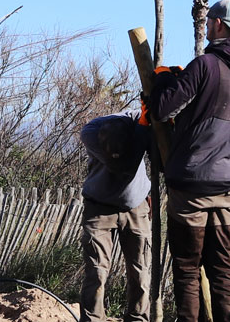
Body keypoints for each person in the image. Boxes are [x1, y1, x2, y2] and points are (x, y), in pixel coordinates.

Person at [148, 0, 230, 322]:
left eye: (209, 21)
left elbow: (162, 109)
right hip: (229, 187)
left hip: (191, 188)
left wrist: (163, 82)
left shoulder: (205, 65)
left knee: (187, 269)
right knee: (224, 270)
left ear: (217, 24)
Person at [78, 111, 153, 322]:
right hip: (98, 206)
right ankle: (93, 319)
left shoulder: (141, 124)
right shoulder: (91, 134)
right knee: (96, 271)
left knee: (140, 271)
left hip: (136, 205)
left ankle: (137, 319)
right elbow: (122, 166)